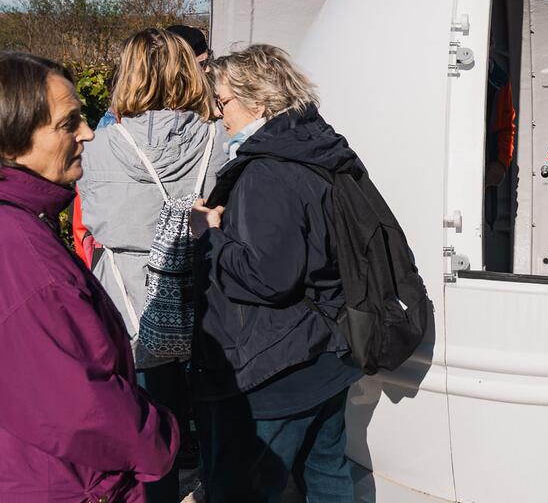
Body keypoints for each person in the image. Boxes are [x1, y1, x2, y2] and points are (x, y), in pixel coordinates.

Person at [0, 51, 178, 501]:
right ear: (10, 142)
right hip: (66, 482)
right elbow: (77, 405)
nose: (86, 133)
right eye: (68, 122)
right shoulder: (22, 253)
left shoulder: (24, 225)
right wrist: (159, 434)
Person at [189, 44, 361, 501]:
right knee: (328, 477)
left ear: (257, 102)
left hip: (281, 365)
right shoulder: (317, 148)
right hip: (327, 350)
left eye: (222, 101)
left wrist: (208, 234)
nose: (217, 113)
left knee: (251, 488)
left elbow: (268, 276)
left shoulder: (268, 170)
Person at [78, 27, 225, 500]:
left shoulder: (100, 147)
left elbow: (99, 222)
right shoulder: (217, 138)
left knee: (149, 428)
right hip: (208, 293)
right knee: (218, 421)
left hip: (134, 302)